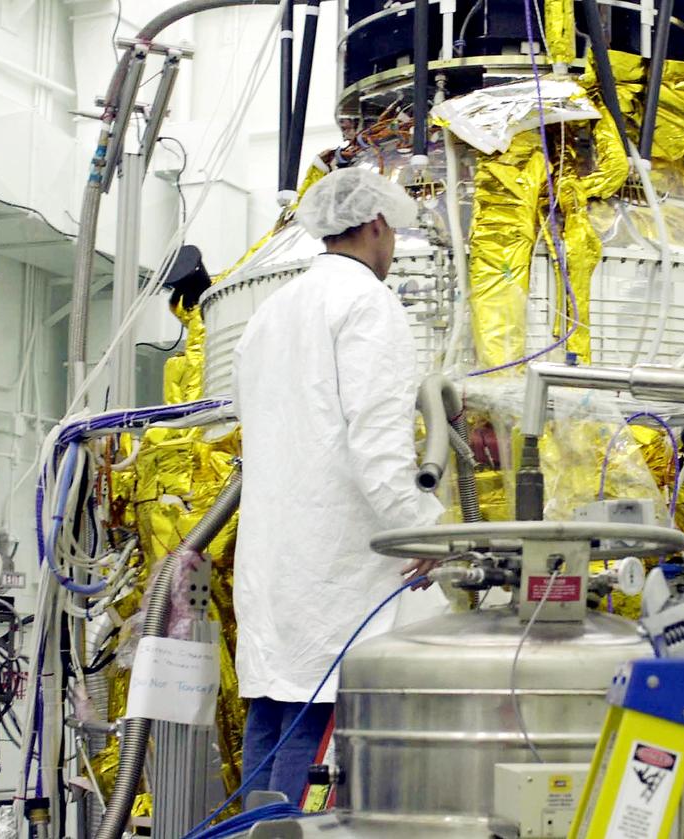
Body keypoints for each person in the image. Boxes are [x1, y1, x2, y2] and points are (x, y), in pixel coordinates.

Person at [231, 167, 445, 805]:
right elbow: (377, 443)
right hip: (335, 563)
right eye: (394, 234)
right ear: (376, 224)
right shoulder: (366, 302)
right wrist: (424, 527)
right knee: (316, 718)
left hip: (272, 558)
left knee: (271, 711)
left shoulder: (270, 310)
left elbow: (254, 423)